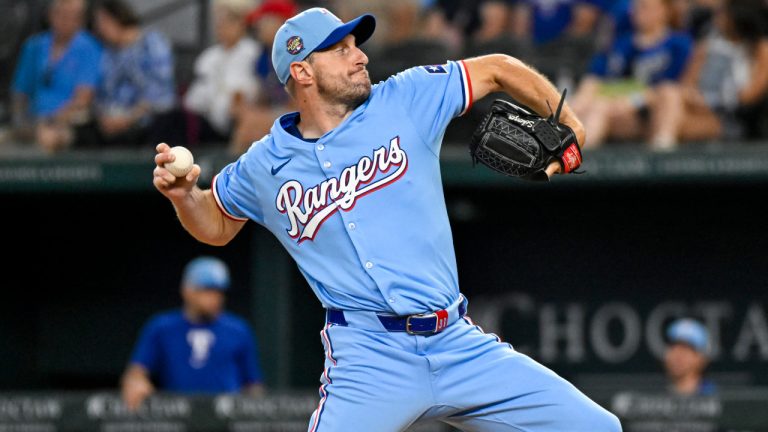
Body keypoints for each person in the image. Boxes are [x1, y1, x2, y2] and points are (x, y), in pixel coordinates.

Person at [152, 7, 621, 432]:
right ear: (302, 71)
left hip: (457, 343)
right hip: (369, 359)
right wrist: (182, 196)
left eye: (356, 45)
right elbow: (215, 223)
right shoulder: (262, 165)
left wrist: (571, 126)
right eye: (340, 49)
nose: (359, 57)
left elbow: (498, 68)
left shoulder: (407, 97)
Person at [121, 256, 264, 411]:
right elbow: (136, 373)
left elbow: (253, 384)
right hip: (179, 416)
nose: (215, 298)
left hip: (226, 418)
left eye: (219, 292)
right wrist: (136, 382)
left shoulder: (238, 329)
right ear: (187, 291)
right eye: (207, 290)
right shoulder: (162, 327)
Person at [570, 0, 693, 150]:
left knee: (669, 93)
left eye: (645, 7)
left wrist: (631, 101)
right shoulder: (620, 44)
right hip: (619, 110)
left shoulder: (678, 44)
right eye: (636, 7)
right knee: (595, 107)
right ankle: (576, 159)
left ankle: (662, 148)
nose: (637, 12)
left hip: (656, 107)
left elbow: (675, 87)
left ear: (664, 11)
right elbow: (594, 80)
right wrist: (574, 106)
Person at [10, 0, 101, 153]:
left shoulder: (89, 47)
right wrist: (21, 123)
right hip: (33, 122)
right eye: (61, 15)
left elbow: (83, 99)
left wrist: (52, 122)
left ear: (81, 20)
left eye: (73, 16)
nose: (66, 21)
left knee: (50, 141)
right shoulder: (34, 46)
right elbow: (20, 93)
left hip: (69, 123)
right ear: (50, 16)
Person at [675, 0, 768, 142]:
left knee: (669, 118)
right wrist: (693, 98)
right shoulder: (706, 46)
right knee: (668, 97)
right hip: (695, 107)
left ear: (738, 16)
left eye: (722, 14)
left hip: (730, 119)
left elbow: (748, 99)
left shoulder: (760, 49)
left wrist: (707, 103)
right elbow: (686, 85)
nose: (716, 19)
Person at [93, 0, 177, 147]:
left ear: (116, 18)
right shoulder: (108, 54)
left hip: (149, 122)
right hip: (113, 125)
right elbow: (102, 95)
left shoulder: (152, 43)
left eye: (103, 22)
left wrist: (129, 118)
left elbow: (160, 94)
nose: (100, 29)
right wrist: (106, 119)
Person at [183, 0, 259, 145]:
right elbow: (196, 95)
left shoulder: (252, 52)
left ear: (241, 25)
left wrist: (239, 98)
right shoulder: (209, 56)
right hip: (208, 116)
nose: (222, 29)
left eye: (228, 24)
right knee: (175, 118)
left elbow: (253, 87)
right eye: (220, 25)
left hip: (235, 116)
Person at [664, 318, 716, 396]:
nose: (677, 356)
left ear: (701, 358)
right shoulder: (654, 397)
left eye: (685, 349)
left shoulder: (714, 396)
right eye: (673, 347)